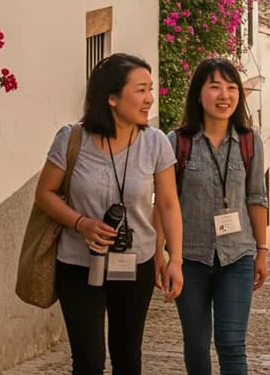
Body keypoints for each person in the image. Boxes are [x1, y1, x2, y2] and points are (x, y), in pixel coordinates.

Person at [34, 53, 184, 375]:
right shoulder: (71, 138)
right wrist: (81, 223)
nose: (150, 99)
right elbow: (45, 193)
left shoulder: (155, 143)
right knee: (87, 361)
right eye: (141, 90)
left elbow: (169, 204)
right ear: (112, 98)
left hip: (136, 262)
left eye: (151, 89)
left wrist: (175, 259)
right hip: (77, 261)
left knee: (127, 358)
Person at [158, 57, 269, 375]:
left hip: (238, 256)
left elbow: (256, 198)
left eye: (232, 88)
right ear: (198, 93)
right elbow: (166, 203)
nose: (225, 95)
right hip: (190, 258)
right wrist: (163, 256)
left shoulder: (249, 142)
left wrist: (262, 252)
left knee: (232, 345)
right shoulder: (176, 142)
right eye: (215, 87)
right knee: (195, 343)